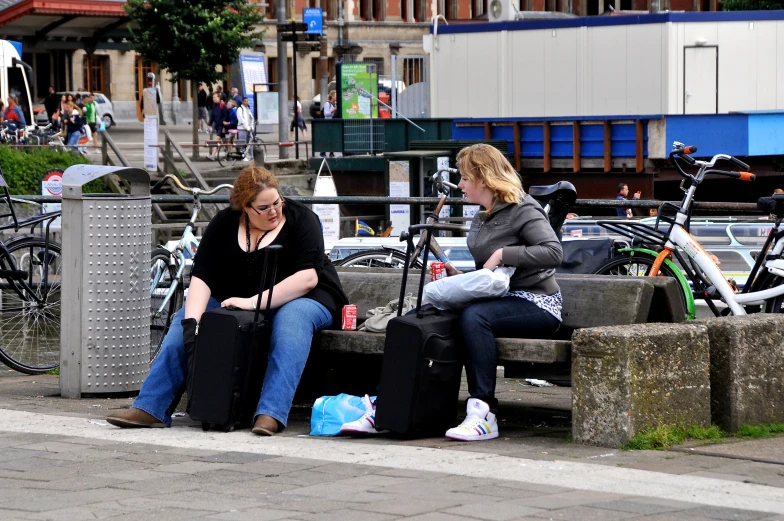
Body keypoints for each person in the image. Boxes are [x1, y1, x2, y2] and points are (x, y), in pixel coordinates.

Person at [341, 144, 563, 442]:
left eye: (465, 178)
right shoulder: (483, 216)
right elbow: (487, 274)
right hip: (495, 298)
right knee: (418, 317)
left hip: (537, 301)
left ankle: (483, 413)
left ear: (483, 178)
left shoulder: (524, 209)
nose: (460, 185)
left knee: (474, 317)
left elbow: (553, 252)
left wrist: (503, 253)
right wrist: (462, 280)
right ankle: (387, 405)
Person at [106, 166, 348, 435]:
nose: (274, 211)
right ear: (245, 207)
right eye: (263, 207)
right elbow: (203, 276)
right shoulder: (223, 223)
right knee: (183, 319)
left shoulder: (303, 220)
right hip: (239, 300)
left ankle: (271, 412)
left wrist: (253, 302)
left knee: (291, 321)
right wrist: (192, 324)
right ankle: (151, 407)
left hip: (305, 297)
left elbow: (308, 279)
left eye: (277, 203)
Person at [206, 93, 227, 160]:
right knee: (223, 140)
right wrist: (209, 124)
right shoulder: (214, 106)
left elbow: (226, 115)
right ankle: (228, 151)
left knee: (217, 139)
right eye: (213, 97)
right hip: (217, 125)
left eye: (215, 97)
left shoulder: (223, 105)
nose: (213, 99)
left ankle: (213, 155)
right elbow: (212, 116)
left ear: (219, 97)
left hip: (222, 125)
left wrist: (224, 125)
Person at [236, 96, 255, 162]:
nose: (247, 102)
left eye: (247, 101)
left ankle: (251, 156)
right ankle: (243, 156)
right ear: (243, 101)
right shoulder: (240, 109)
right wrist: (247, 127)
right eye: (245, 101)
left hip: (249, 129)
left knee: (250, 142)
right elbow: (241, 120)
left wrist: (251, 127)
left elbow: (251, 118)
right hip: (242, 128)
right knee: (242, 143)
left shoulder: (248, 109)